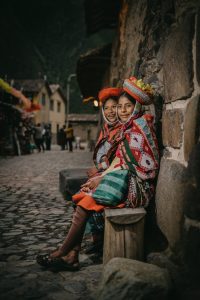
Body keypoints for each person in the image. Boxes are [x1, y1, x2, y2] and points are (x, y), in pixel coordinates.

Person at [36, 77, 159, 271]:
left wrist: (101, 177)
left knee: (84, 201)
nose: (121, 110)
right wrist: (99, 177)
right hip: (123, 180)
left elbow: (134, 165)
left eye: (128, 106)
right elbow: (121, 161)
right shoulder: (130, 128)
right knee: (82, 197)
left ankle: (64, 253)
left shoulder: (137, 129)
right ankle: (71, 255)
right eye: (120, 107)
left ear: (136, 107)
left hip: (136, 188)